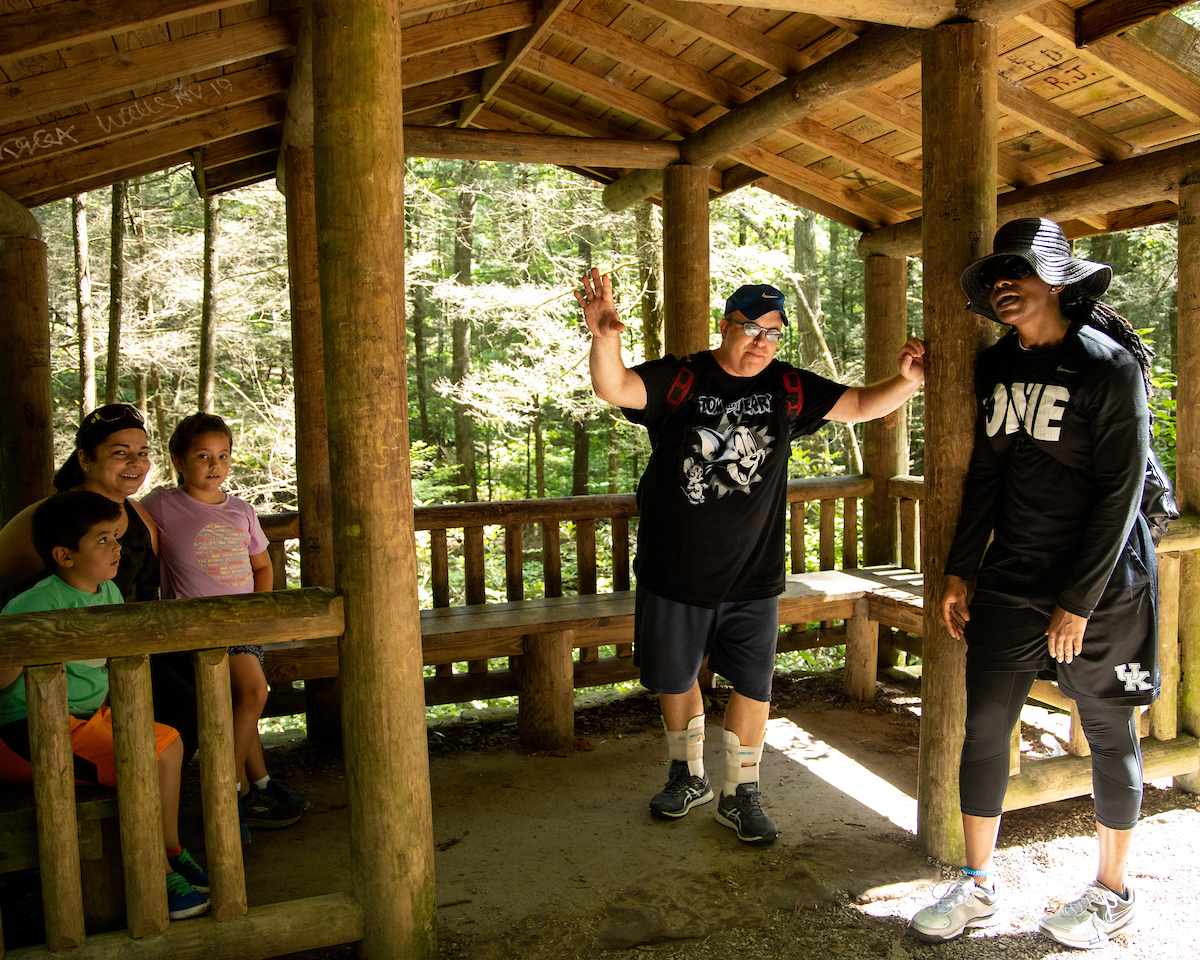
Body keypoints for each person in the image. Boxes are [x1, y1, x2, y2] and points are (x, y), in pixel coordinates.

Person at [577, 269, 925, 844]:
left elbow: (860, 404)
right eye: (749, 328)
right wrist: (605, 340)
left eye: (773, 332)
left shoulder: (787, 386)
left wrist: (908, 381)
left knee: (754, 684)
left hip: (753, 576)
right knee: (676, 676)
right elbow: (616, 388)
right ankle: (687, 776)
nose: (760, 341)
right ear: (726, 326)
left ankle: (742, 792)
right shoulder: (683, 377)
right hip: (674, 571)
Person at [907, 218, 1159, 949]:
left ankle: (1113, 890)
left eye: (1014, 270)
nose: (1000, 284)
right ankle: (977, 884)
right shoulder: (997, 366)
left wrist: (1077, 603)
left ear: (1057, 277)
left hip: (1106, 584)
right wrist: (960, 566)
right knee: (985, 724)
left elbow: (1118, 495)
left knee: (1110, 730)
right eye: (992, 278)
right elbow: (987, 470)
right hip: (1012, 574)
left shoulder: (1108, 368)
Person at [0, 491, 210, 919]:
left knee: (169, 744)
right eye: (102, 540)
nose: (116, 547)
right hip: (31, 732)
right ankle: (154, 873)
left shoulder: (108, 592)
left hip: (82, 720)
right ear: (64, 555)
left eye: (116, 537)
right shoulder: (32, 606)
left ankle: (169, 848)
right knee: (144, 761)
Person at [0, 404, 200, 764]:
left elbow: (150, 588)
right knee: (184, 710)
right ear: (85, 459)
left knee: (207, 691)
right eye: (120, 453)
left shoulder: (139, 514)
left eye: (142, 453)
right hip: (72, 668)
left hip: (137, 645)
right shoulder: (50, 518)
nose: (135, 463)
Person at [142, 413, 308, 845]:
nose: (214, 465)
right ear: (179, 460)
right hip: (194, 628)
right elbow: (125, 525)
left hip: (241, 623)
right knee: (253, 695)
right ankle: (228, 791)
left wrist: (258, 612)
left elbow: (261, 564)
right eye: (202, 456)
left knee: (244, 699)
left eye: (223, 456)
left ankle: (255, 787)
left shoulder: (241, 510)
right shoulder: (161, 505)